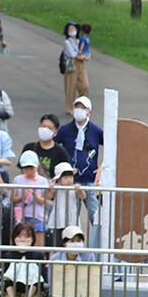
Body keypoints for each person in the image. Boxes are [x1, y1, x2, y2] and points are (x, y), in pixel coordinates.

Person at [55, 95, 103, 246]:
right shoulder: (65, 130)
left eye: (83, 108)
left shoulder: (95, 130)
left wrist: (103, 167)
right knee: (70, 218)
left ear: (89, 111)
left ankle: (97, 248)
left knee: (96, 217)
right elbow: (54, 146)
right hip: (71, 182)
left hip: (89, 181)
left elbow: (112, 145)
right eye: (77, 107)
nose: (79, 111)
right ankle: (69, 245)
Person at [47, 225, 98, 297]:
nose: (76, 243)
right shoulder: (55, 258)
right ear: (65, 243)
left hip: (82, 294)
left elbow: (91, 282)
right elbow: (52, 282)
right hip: (59, 295)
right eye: (72, 241)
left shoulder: (88, 256)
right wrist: (61, 294)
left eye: (79, 241)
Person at [1, 221, 45, 297]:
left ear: (32, 239)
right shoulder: (8, 255)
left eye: (27, 236)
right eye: (19, 236)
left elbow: (37, 282)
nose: (23, 240)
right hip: (12, 292)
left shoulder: (38, 255)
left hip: (32, 293)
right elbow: (7, 282)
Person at [12, 150, 49, 246]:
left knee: (38, 244)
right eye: (25, 168)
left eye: (31, 168)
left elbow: (45, 201)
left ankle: (38, 261)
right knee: (21, 242)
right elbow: (13, 199)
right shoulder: (17, 179)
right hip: (21, 216)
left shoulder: (43, 181)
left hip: (38, 216)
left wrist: (36, 196)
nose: (28, 171)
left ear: (36, 166)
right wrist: (22, 195)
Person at [45, 162, 86, 247]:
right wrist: (51, 189)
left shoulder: (74, 187)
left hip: (72, 218)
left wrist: (79, 190)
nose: (69, 179)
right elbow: (49, 197)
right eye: (65, 177)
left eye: (70, 177)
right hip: (58, 218)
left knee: (71, 238)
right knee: (57, 241)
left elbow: (83, 196)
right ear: (59, 179)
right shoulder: (57, 187)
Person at [21, 113, 69, 179]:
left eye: (49, 128)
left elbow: (66, 174)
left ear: (55, 133)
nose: (45, 129)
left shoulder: (60, 152)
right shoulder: (29, 148)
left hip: (52, 187)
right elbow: (22, 170)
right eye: (43, 126)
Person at [61, 21, 81, 115]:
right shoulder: (67, 42)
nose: (72, 30)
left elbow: (87, 52)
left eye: (74, 28)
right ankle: (70, 108)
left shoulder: (80, 41)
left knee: (84, 85)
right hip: (71, 65)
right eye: (70, 29)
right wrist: (82, 55)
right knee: (70, 87)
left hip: (80, 64)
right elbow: (72, 54)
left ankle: (82, 106)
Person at [75, 22, 91, 103]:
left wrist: (79, 52)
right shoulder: (87, 38)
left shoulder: (83, 38)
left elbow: (82, 46)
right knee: (83, 84)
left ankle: (82, 101)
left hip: (80, 59)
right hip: (85, 56)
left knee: (82, 84)